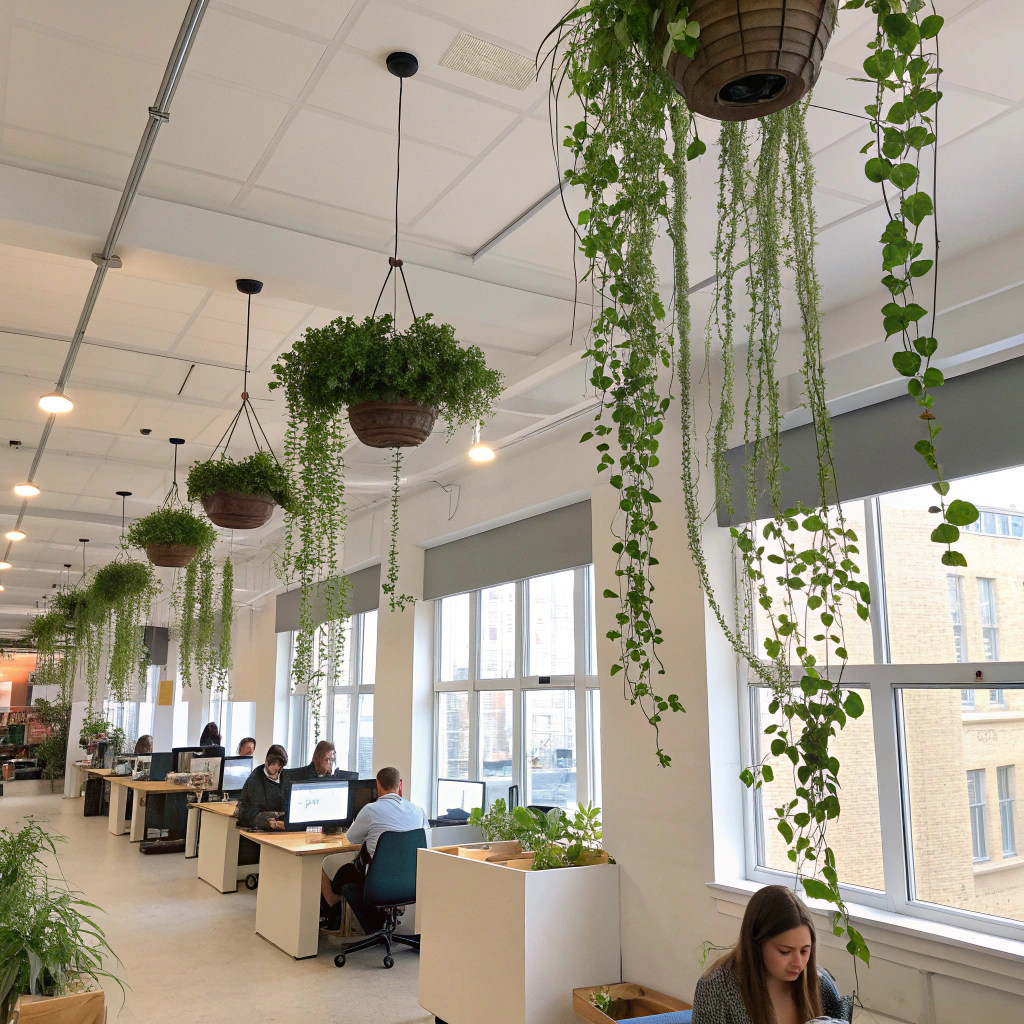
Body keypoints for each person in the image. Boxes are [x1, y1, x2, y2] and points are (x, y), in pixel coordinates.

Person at [692, 886, 852, 1024]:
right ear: (756, 944)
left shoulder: (821, 984)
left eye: (804, 951)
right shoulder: (716, 988)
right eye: (785, 951)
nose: (798, 963)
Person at [319, 766, 428, 931]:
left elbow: (351, 838)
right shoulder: (418, 811)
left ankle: (336, 917)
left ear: (378, 785)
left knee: (329, 866)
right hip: (411, 884)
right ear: (399, 785)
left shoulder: (370, 810)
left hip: (377, 883)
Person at [237, 744, 289, 831]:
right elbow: (251, 812)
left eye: (280, 765)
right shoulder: (255, 780)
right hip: (258, 828)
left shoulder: (284, 777)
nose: (277, 768)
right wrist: (268, 821)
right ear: (267, 760)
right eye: (274, 764)